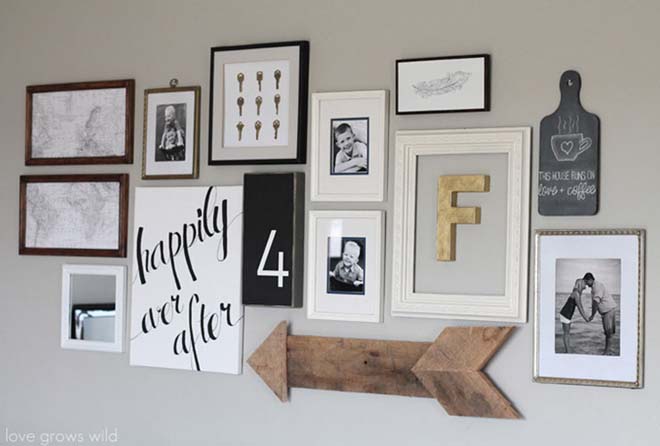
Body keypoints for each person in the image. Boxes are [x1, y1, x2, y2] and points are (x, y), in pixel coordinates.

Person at [583, 272, 617, 355]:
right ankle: (610, 350)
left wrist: (592, 316)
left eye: (586, 282)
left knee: (608, 333)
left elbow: (595, 302)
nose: (586, 284)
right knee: (610, 333)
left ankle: (606, 353)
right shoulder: (595, 286)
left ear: (590, 280)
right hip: (610, 309)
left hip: (608, 311)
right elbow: (595, 302)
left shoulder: (596, 287)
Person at [559, 278, 590, 353]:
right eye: (584, 283)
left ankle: (567, 350)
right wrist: (586, 318)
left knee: (567, 333)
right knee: (566, 333)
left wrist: (583, 287)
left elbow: (579, 287)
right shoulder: (576, 293)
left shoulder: (576, 292)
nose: (585, 285)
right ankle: (567, 351)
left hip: (566, 314)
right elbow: (580, 307)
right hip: (565, 314)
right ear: (580, 284)